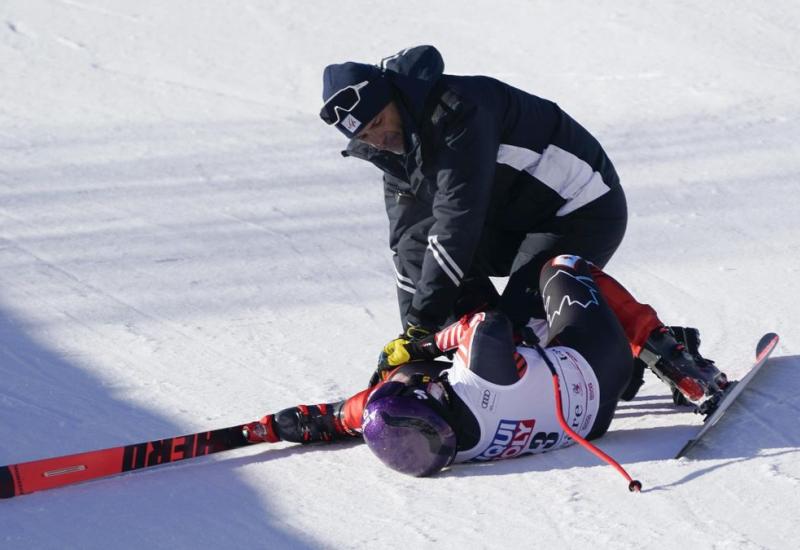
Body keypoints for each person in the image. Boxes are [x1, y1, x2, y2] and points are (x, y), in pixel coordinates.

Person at [318, 45, 725, 404]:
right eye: (366, 135)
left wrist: (424, 323)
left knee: (522, 334)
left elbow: (456, 220)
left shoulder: (459, 110)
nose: (378, 138)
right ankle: (521, 346)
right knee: (491, 338)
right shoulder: (396, 151)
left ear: (394, 98)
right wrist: (414, 341)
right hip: (515, 223)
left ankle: (673, 353)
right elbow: (408, 243)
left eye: (378, 122)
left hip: (580, 210)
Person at [245, 256, 718, 483]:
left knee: (472, 292)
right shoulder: (477, 380)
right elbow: (484, 326)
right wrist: (421, 347)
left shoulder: (443, 448)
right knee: (560, 266)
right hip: (595, 361)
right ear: (432, 394)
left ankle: (638, 352)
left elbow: (360, 416)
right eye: (413, 384)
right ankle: (675, 359)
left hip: (591, 420)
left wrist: (294, 425)